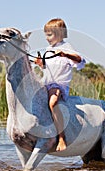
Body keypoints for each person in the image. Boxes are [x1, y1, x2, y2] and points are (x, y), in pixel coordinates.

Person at [35, 18, 86, 151]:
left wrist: (65, 54)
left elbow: (80, 61)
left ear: (59, 34)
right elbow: (47, 68)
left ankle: (62, 137)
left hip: (58, 85)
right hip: (45, 84)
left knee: (52, 103)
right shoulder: (48, 49)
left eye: (49, 34)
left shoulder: (66, 47)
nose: (47, 38)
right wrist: (41, 63)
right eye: (46, 34)